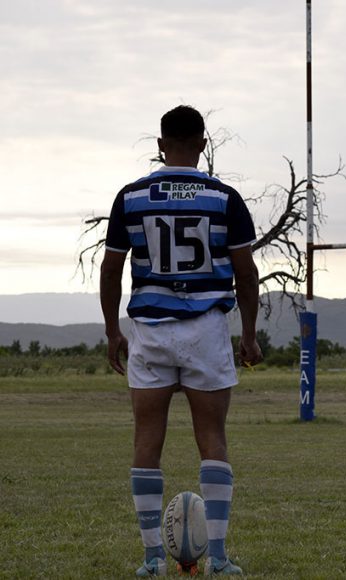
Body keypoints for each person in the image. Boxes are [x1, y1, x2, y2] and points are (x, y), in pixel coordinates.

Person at [100, 105, 260, 577]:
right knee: (212, 439)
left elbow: (111, 269)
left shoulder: (132, 197)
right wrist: (248, 334)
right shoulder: (224, 197)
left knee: (146, 441)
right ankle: (219, 558)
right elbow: (246, 273)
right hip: (206, 331)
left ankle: (152, 559)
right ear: (204, 143)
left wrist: (113, 330)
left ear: (160, 144)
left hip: (150, 332)